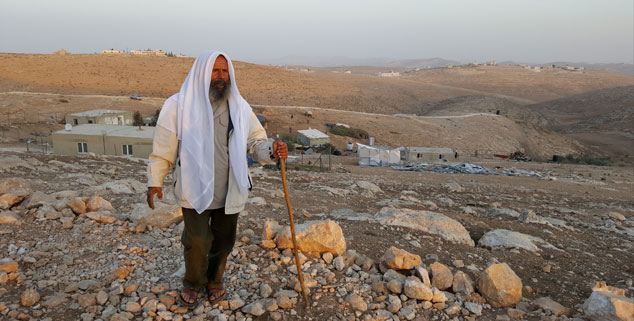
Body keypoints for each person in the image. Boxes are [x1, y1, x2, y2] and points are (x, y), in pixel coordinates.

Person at [146, 50, 288, 307]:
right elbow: (163, 149)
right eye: (215, 71)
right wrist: (155, 180)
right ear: (202, 73)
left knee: (224, 242)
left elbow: (256, 141)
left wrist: (272, 150)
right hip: (194, 186)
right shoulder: (178, 105)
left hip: (229, 189)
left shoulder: (239, 106)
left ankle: (214, 281)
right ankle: (192, 283)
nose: (221, 77)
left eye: (225, 71)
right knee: (198, 241)